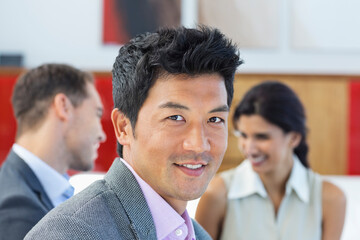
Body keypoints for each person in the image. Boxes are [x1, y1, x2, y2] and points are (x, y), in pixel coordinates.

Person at [25, 26, 242, 239]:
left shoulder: (196, 235)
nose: (199, 144)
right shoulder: (70, 233)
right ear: (123, 127)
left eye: (214, 119)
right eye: (175, 118)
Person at [195, 81, 347, 240]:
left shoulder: (330, 199)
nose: (249, 148)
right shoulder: (216, 195)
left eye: (262, 137)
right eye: (243, 136)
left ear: (294, 138)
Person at [0, 64, 106, 240]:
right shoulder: (18, 213)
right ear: (63, 106)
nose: (102, 135)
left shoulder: (25, 193)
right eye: (97, 113)